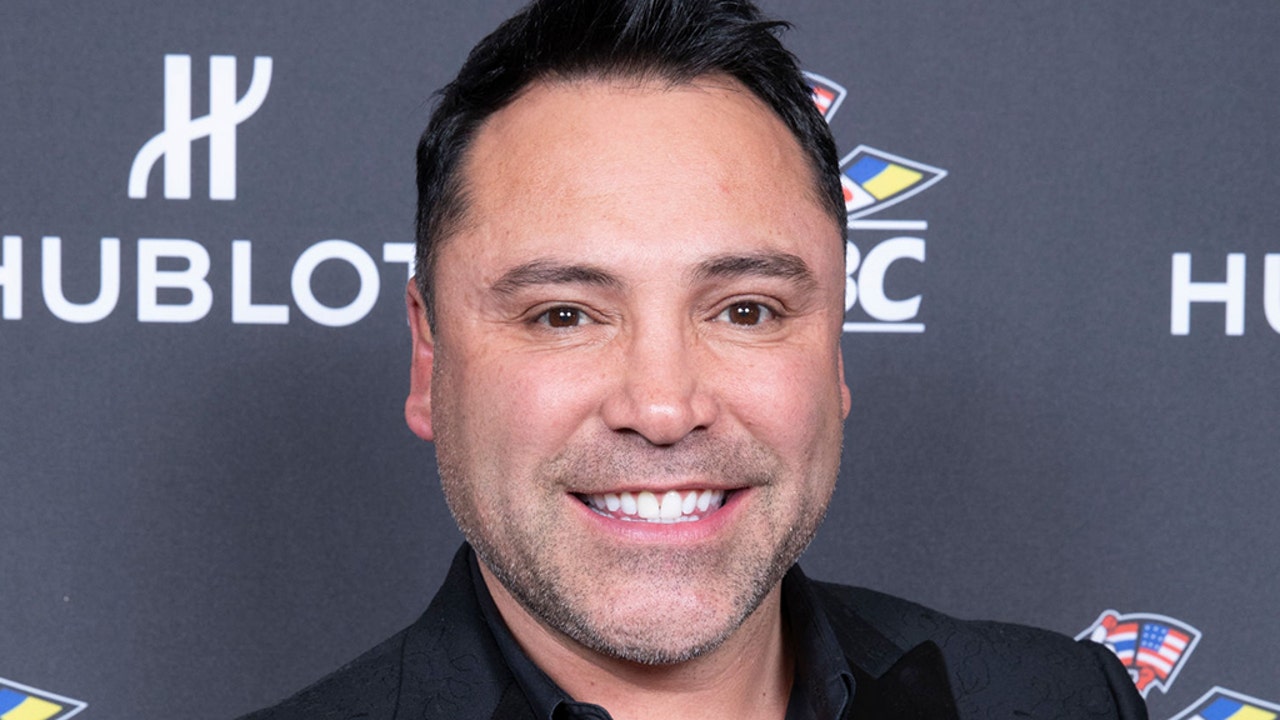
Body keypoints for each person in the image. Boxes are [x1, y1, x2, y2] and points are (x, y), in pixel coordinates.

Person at [241, 0, 1147, 718]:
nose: (664, 408)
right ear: (429, 359)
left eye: (745, 310)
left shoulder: (1059, 702)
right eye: (564, 315)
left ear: (833, 350)